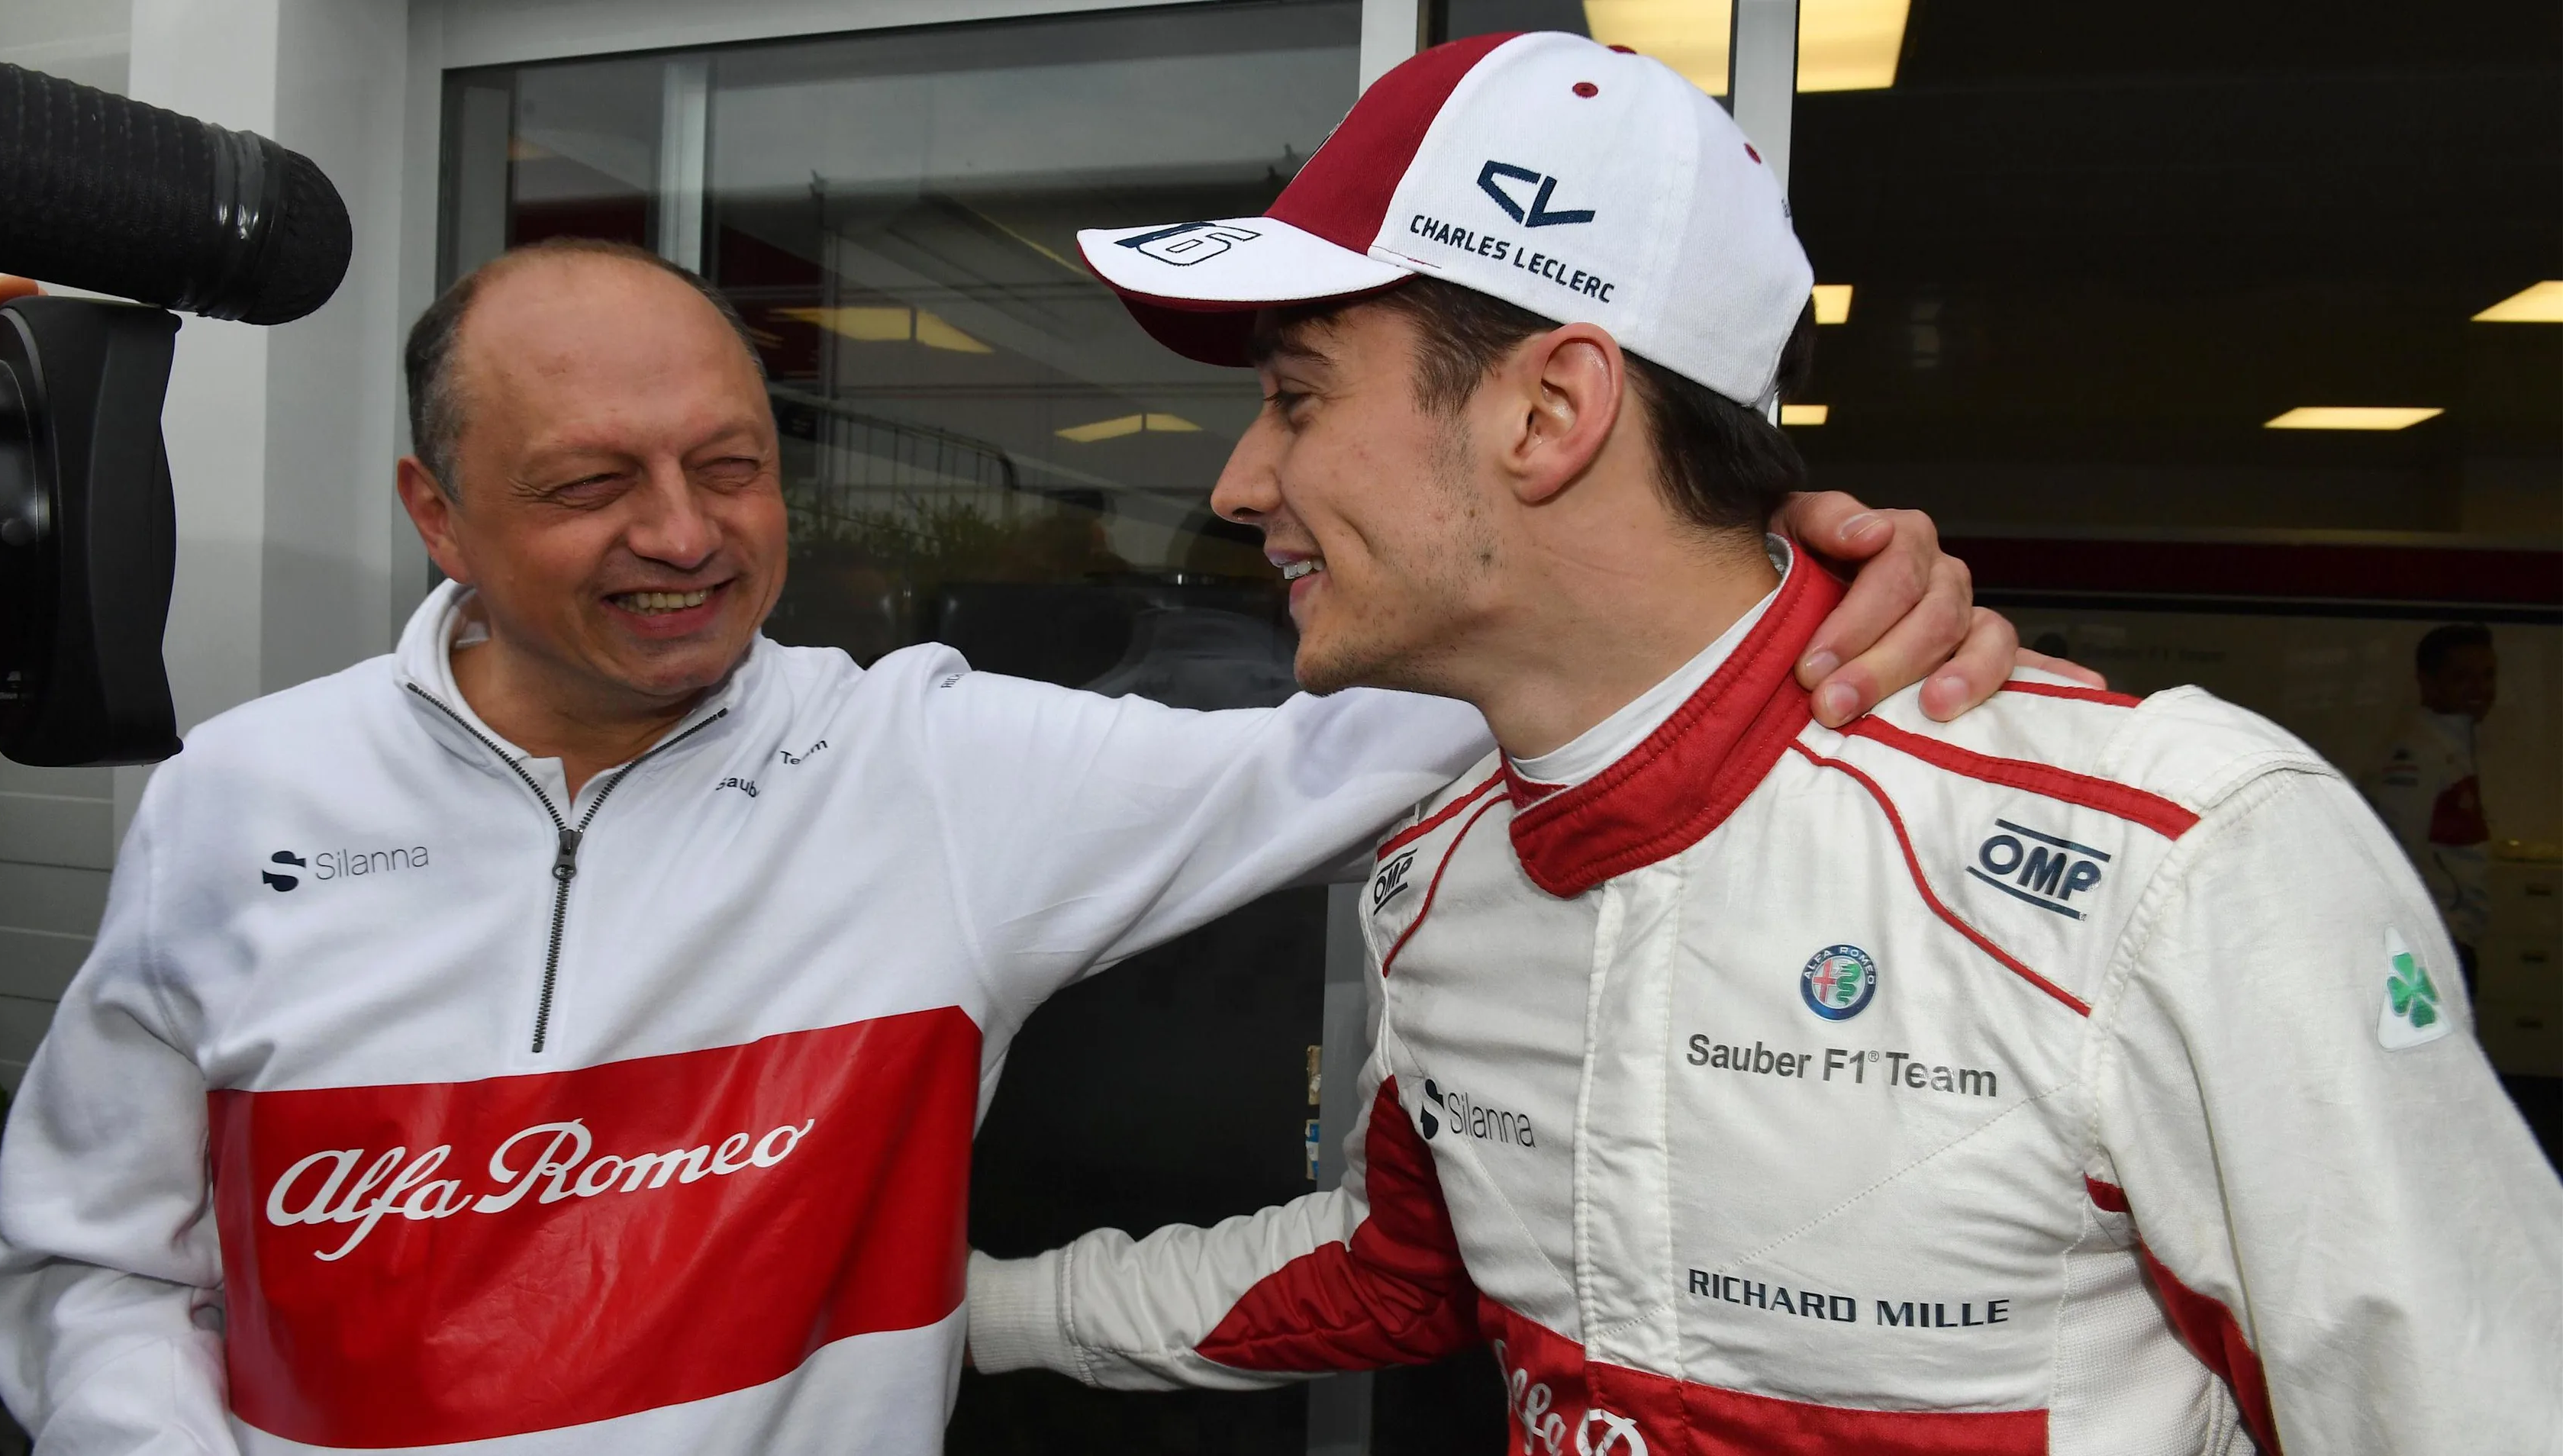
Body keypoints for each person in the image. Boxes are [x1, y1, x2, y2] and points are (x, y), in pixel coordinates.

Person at [0, 242, 2025, 1455]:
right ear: (436, 513)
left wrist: (1763, 578)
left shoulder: (928, 770)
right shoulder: (244, 800)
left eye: (730, 466)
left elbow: (1451, 694)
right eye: (593, 483)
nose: (683, 534)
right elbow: (90, 1259)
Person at [963, 32, 2563, 1453]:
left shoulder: (2177, 854)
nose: (1238, 486)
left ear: (1548, 412)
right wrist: (953, 1309)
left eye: (1298, 397)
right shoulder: (1437, 871)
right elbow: (1396, 1267)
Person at [2361, 623, 2498, 997]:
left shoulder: (2455, 747)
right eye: (2462, 677)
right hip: (2431, 946)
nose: (2480, 688)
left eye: (2487, 675)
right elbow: (2394, 855)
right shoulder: (2419, 754)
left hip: (2452, 941)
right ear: (2428, 682)